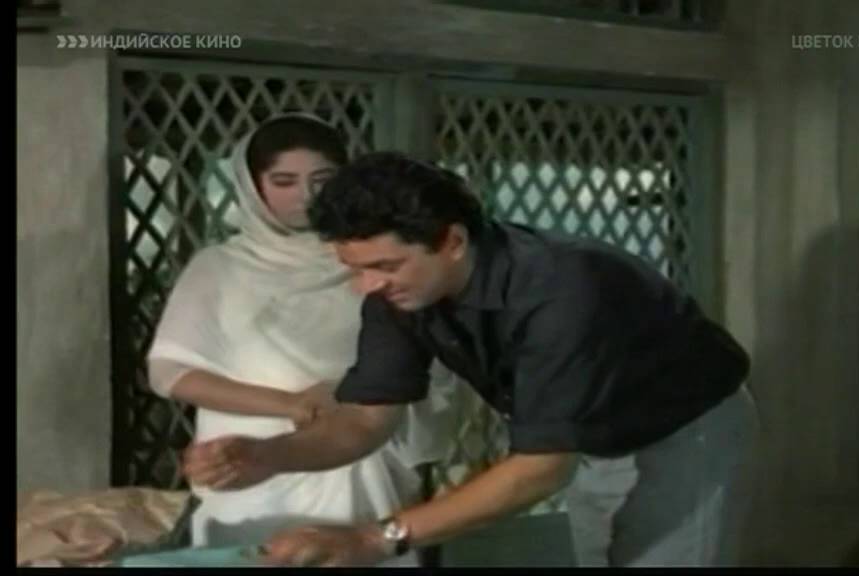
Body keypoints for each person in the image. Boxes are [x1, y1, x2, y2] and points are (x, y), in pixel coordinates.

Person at [182, 151, 759, 567]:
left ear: (453, 242)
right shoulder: (398, 292)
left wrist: (373, 539)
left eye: (384, 266)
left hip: (684, 428)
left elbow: (540, 469)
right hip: (592, 436)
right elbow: (365, 420)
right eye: (353, 268)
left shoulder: (563, 288)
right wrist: (267, 455)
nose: (366, 285)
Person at [148, 122, 458, 566]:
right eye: (284, 181)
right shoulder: (219, 268)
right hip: (246, 455)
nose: (306, 196)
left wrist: (351, 396)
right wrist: (290, 405)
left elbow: (426, 358)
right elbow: (170, 371)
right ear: (253, 187)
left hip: (360, 447)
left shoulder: (375, 261)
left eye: (322, 180)